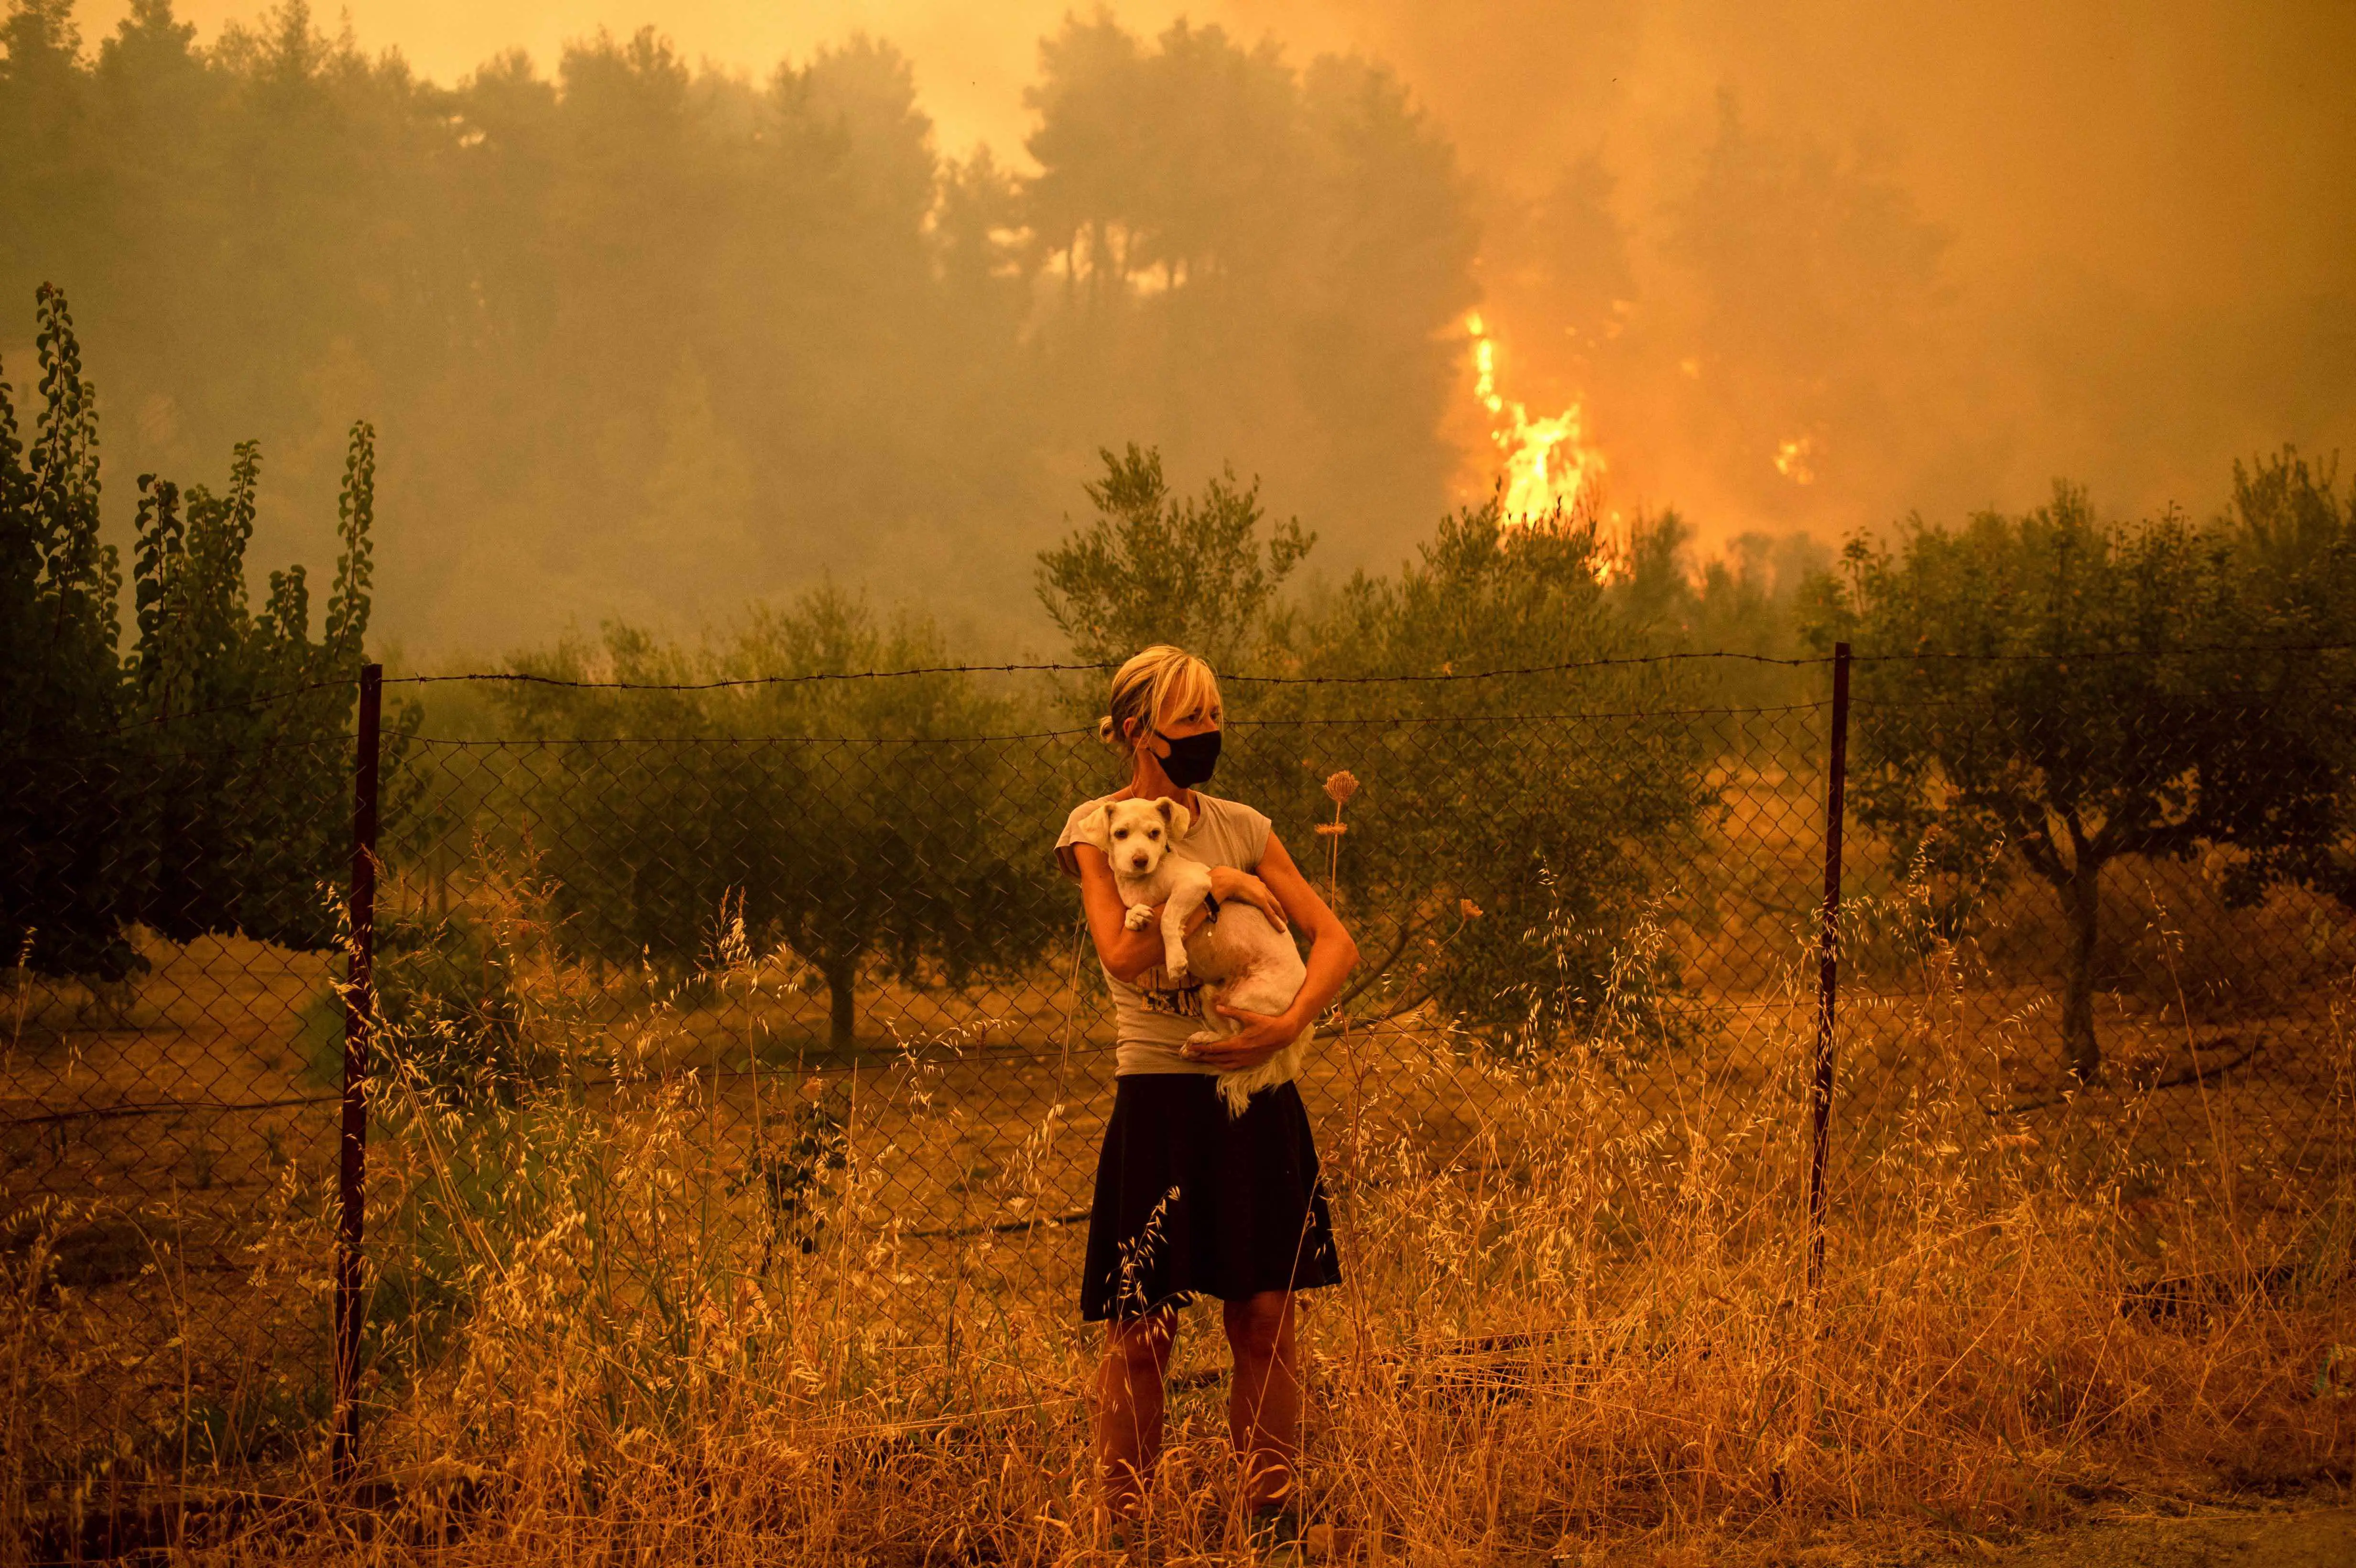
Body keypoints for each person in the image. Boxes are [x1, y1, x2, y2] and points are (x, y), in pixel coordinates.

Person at [1055, 643, 1359, 1544]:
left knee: (1267, 1318)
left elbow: (1334, 941)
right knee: (1142, 1330)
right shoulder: (1098, 828)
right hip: (1158, 1095)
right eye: (1192, 722)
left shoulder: (1245, 825)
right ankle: (1130, 1531)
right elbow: (1121, 952)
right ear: (1139, 730)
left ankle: (1273, 1519)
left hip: (1258, 1090)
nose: (1209, 736)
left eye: (1216, 718)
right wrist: (1220, 891)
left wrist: (1288, 1022)